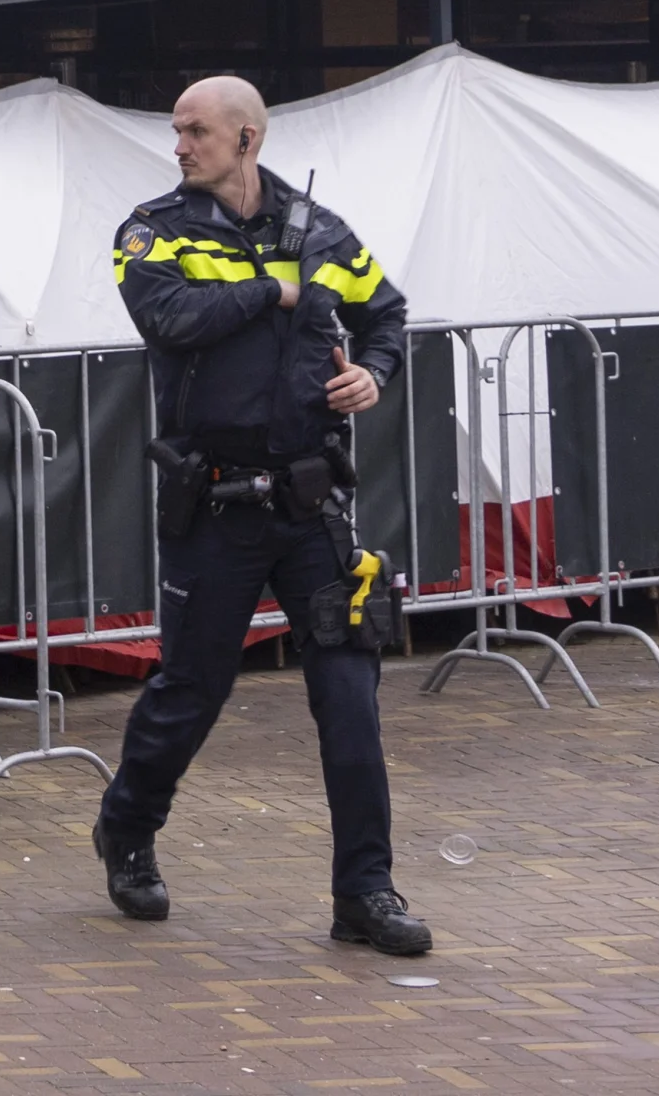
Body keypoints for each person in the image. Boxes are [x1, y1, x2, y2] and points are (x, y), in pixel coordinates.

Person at [95, 73, 432, 959]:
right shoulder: (152, 229)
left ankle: (365, 890)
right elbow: (169, 316)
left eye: (196, 131)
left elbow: (387, 314)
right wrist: (276, 293)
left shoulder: (321, 230)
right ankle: (126, 828)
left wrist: (377, 373)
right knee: (192, 692)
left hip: (313, 506)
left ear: (247, 138)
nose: (179, 146)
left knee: (350, 697)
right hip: (214, 505)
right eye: (176, 131)